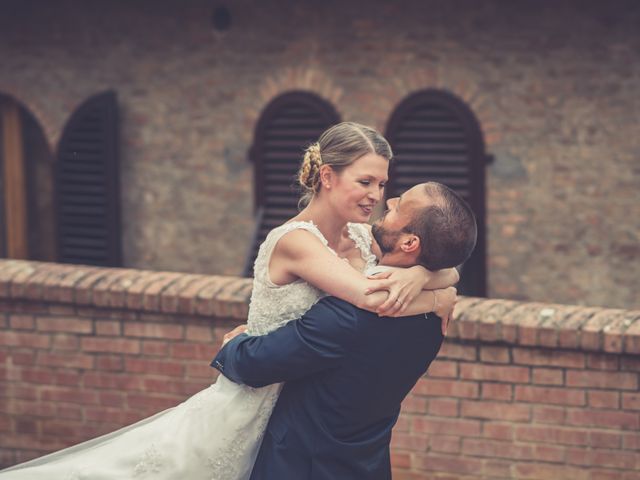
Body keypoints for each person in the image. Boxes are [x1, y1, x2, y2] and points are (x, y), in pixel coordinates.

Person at [0, 123, 457, 479]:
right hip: (250, 397)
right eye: (367, 182)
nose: (377, 197)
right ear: (328, 177)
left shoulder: (363, 239)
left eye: (383, 185)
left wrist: (428, 275)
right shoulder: (296, 241)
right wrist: (438, 294)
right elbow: (369, 296)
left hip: (295, 403)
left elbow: (432, 261)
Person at [213, 181, 478, 479]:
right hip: (368, 464)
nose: (388, 200)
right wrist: (424, 276)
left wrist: (232, 345)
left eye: (400, 205)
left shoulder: (346, 315)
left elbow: (255, 364)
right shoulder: (435, 316)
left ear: (409, 243)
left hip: (304, 467)